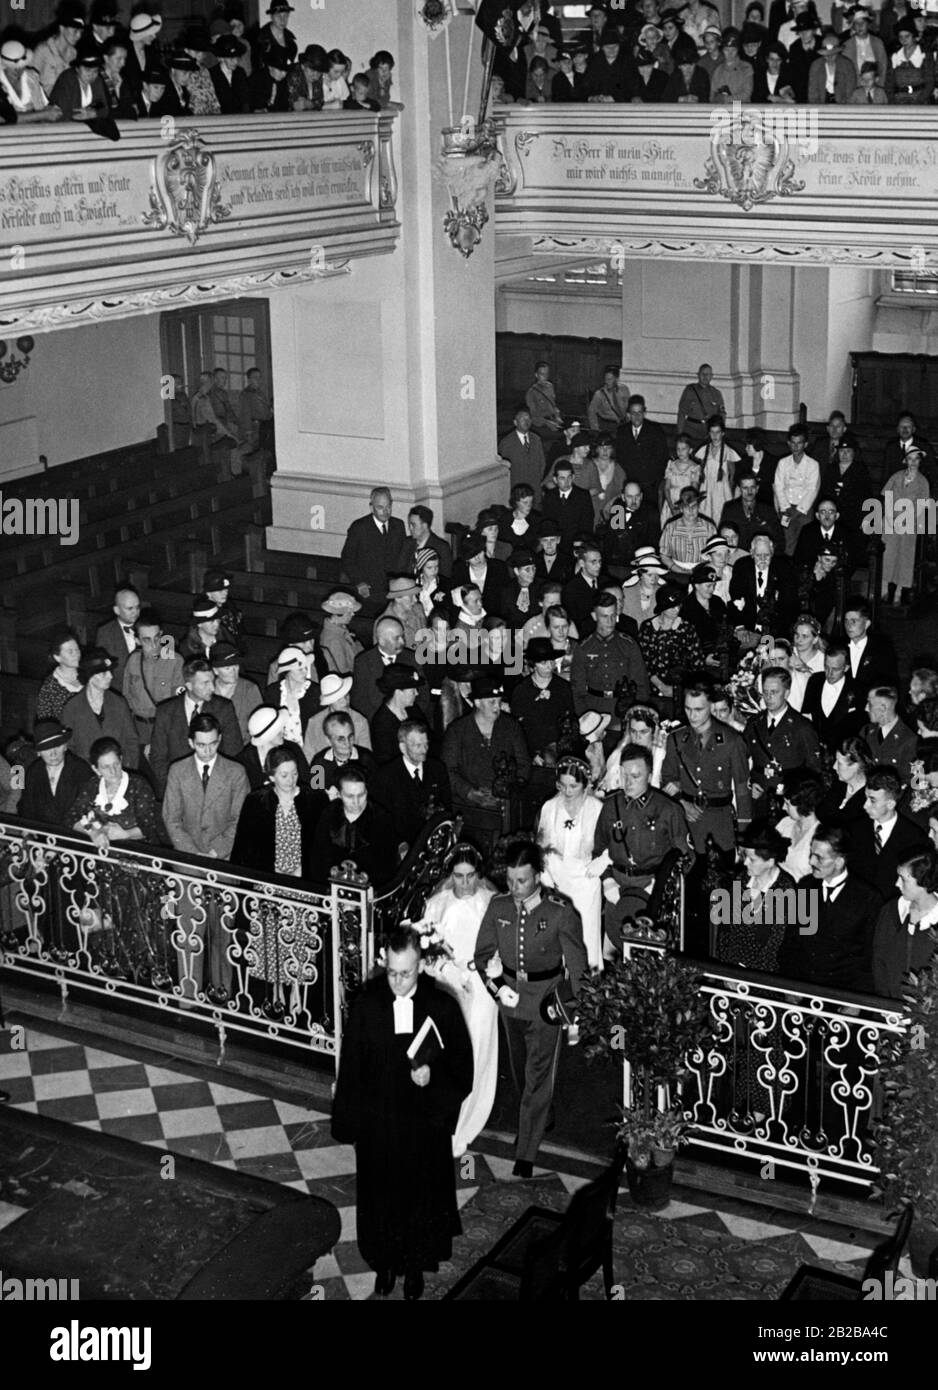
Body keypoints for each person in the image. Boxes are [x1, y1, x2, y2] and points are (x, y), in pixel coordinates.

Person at [331, 924, 472, 1300]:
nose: (397, 981)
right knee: (381, 1198)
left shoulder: (441, 1006)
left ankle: (414, 1269)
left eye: (405, 973)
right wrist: (351, 1124)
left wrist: (434, 1078)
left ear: (421, 966)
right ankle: (385, 1264)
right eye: (392, 972)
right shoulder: (368, 1003)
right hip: (379, 1125)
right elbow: (352, 1069)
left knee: (419, 1199)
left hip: (422, 1126)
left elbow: (462, 1068)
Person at [474, 840, 587, 1177]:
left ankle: (526, 1151)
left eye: (521, 881)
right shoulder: (498, 906)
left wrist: (572, 1014)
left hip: (545, 1003)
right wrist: (497, 989)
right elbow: (482, 957)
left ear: (538, 875)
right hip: (510, 1002)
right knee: (521, 1071)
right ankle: (540, 1113)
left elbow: (578, 968)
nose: (515, 888)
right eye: (510, 880)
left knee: (538, 1075)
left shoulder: (560, 911)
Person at [229, 745, 329, 1013]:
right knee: (272, 943)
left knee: (299, 941)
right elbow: (244, 849)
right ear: (271, 776)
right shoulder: (256, 801)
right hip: (269, 887)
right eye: (284, 775)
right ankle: (275, 992)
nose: (291, 780)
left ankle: (298, 991)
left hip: (302, 886)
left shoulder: (314, 800)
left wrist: (305, 873)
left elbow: (322, 847)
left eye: (294, 773)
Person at [162, 712, 251, 998]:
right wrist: (195, 856)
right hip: (188, 866)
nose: (207, 750)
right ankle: (189, 995)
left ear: (220, 740)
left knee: (222, 935)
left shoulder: (235, 772)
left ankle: (223, 994)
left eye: (212, 744)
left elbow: (241, 820)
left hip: (223, 863)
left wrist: (216, 851)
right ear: (191, 742)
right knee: (189, 934)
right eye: (201, 745)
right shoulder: (177, 771)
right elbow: (171, 820)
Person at [422, 845, 498, 1157]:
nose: (464, 884)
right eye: (458, 877)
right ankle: (444, 1120)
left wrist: (490, 968)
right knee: (446, 1053)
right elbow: (427, 950)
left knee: (477, 1050)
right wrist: (448, 971)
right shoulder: (437, 904)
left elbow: (501, 945)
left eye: (470, 877)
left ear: (478, 876)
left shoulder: (491, 902)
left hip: (482, 984)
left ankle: (466, 1123)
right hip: (448, 984)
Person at [593, 742, 692, 953]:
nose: (628, 782)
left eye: (636, 776)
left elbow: (686, 859)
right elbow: (599, 849)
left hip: (653, 892)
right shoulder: (611, 807)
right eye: (624, 775)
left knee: (651, 959)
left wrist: (664, 886)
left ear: (649, 775)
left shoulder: (668, 810)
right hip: (617, 891)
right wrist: (607, 880)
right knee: (614, 951)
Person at [777, 824, 878, 993]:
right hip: (803, 992)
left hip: (841, 994)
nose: (811, 862)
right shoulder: (805, 886)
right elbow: (792, 942)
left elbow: (869, 958)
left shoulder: (868, 898)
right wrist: (791, 987)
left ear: (839, 862)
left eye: (819, 858)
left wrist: (856, 1003)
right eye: (811, 854)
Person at [662, 679, 752, 855]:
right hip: (686, 823)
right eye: (688, 709)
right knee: (692, 875)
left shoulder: (732, 741)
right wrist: (682, 803)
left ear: (710, 707)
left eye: (698, 710)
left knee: (733, 877)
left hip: (721, 822)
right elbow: (666, 779)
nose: (692, 716)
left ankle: (736, 885)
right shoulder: (676, 740)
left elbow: (742, 790)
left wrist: (744, 836)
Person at [536, 753, 605, 970]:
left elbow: (611, 841)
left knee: (586, 937)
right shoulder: (550, 807)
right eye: (562, 785)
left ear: (585, 785)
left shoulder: (596, 807)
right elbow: (541, 844)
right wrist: (544, 872)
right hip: (557, 880)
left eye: (573, 786)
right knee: (559, 935)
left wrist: (603, 860)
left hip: (585, 880)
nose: (567, 792)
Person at [149, 656, 243, 793]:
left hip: (215, 790)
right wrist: (173, 787)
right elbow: (158, 757)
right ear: (189, 685)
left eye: (212, 681)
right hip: (176, 788)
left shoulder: (224, 708)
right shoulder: (166, 711)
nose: (212, 687)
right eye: (205, 683)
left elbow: (233, 752)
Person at [713, 824, 795, 972]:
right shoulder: (741, 879)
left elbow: (774, 946)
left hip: (761, 976)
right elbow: (725, 930)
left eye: (752, 859)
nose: (745, 863)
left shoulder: (784, 890)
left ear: (769, 861)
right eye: (745, 857)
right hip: (730, 969)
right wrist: (727, 967)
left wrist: (744, 974)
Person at [847, 766, 931, 898]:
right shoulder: (855, 828)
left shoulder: (915, 838)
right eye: (866, 798)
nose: (865, 805)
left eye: (872, 800)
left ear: (891, 804)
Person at [310, 765, 398, 889]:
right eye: (350, 796)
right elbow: (318, 860)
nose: (356, 802)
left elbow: (386, 866)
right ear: (339, 794)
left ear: (367, 791)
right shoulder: (329, 814)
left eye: (361, 795)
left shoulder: (381, 818)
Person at [872, 849, 938, 1000]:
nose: (896, 884)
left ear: (924, 882)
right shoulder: (890, 911)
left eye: (903, 879)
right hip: (888, 1012)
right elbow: (878, 961)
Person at [62, 649, 141, 772]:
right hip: (87, 775)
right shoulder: (72, 708)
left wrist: (125, 769)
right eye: (104, 674)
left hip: (118, 772)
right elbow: (68, 749)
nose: (111, 676)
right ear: (90, 677)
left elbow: (131, 741)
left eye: (110, 671)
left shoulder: (119, 703)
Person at [509, 637, 576, 764]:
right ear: (533, 664)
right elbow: (517, 728)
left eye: (551, 661)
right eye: (543, 663)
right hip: (531, 751)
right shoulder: (522, 690)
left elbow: (571, 720)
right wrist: (532, 753)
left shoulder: (563, 687)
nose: (549, 666)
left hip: (560, 750)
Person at [638, 584, 705, 708]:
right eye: (671, 607)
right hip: (653, 688)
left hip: (682, 688)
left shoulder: (687, 628)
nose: (676, 609)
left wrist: (682, 689)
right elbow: (643, 662)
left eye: (678, 605)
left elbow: (697, 663)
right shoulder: (647, 627)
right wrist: (661, 686)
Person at [341, 488, 407, 611]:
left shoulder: (398, 525)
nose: (385, 511)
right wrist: (359, 582)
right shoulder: (359, 528)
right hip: (369, 593)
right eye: (380, 507)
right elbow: (347, 558)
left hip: (394, 593)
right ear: (371, 508)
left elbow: (402, 557)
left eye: (388, 506)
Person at [18, 719, 93, 828]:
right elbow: (26, 805)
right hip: (41, 837)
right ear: (38, 752)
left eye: (57, 746)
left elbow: (89, 809)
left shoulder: (81, 770)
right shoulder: (33, 771)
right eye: (47, 748)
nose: (53, 753)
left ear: (65, 746)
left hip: (75, 837)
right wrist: (27, 829)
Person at [881, 448, 930, 605]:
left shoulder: (923, 482)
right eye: (910, 459)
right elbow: (887, 497)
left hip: (909, 524)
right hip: (891, 521)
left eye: (916, 459)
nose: (913, 462)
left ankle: (898, 592)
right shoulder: (896, 477)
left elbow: (921, 506)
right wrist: (889, 517)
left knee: (905, 557)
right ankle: (883, 589)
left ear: (920, 461)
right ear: (905, 460)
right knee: (888, 554)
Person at [801, 643, 864, 751]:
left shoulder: (857, 689)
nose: (829, 673)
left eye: (835, 669)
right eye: (826, 667)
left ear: (846, 668)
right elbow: (806, 716)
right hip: (815, 748)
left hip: (843, 752)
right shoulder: (815, 681)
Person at [774, 426, 821, 557]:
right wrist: (785, 507)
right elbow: (779, 486)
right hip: (787, 508)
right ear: (789, 443)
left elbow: (812, 489)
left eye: (799, 443)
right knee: (788, 541)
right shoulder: (783, 463)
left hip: (804, 509)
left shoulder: (813, 464)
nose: (796, 447)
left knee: (805, 540)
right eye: (793, 443)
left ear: (805, 444)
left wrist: (799, 510)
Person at [615, 395, 670, 498]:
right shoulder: (622, 431)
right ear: (628, 414)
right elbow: (619, 457)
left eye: (640, 412)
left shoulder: (655, 430)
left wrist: (653, 480)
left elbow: (662, 457)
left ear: (644, 413)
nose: (637, 416)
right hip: (628, 482)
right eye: (633, 413)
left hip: (649, 483)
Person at [860, 686, 917, 784]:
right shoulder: (866, 731)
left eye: (869, 704)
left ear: (883, 708)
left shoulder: (909, 740)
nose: (865, 708)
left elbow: (910, 782)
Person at [843, 597, 899, 696]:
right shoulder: (840, 646)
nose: (849, 625)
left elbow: (890, 682)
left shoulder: (881, 649)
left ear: (867, 624)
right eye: (846, 621)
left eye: (854, 621)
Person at [817, 734, 874, 827]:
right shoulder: (838, 785)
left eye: (839, 763)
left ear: (857, 765)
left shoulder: (869, 797)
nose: (834, 767)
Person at [660, 487, 717, 577]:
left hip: (703, 572)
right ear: (681, 509)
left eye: (694, 506)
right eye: (687, 507)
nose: (691, 510)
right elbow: (664, 555)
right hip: (676, 572)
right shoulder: (670, 527)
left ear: (698, 507)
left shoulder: (709, 528)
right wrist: (679, 570)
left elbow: (715, 554)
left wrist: (700, 569)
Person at [36, 626, 84, 723]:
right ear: (57, 657)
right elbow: (45, 723)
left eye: (77, 649)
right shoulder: (49, 687)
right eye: (70, 651)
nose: (76, 654)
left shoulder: (89, 675)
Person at [498, 407, 548, 495]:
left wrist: (538, 480)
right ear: (515, 422)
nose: (526, 421)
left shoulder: (536, 439)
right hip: (517, 489)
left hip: (535, 488)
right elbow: (503, 468)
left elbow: (542, 463)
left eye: (528, 418)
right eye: (522, 419)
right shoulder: (507, 442)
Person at [677, 365, 726, 447]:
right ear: (698, 375)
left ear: (711, 376)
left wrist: (719, 433)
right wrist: (680, 434)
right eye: (703, 374)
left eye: (708, 374)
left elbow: (721, 415)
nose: (705, 376)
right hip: (690, 429)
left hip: (708, 432)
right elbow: (682, 413)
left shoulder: (716, 394)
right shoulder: (690, 390)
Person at [660, 435, 702, 529]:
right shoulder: (671, 465)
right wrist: (671, 506)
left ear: (690, 450)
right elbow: (666, 488)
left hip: (686, 504)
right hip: (671, 503)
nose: (680, 452)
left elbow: (693, 492)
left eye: (683, 449)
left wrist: (683, 507)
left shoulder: (694, 468)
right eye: (678, 449)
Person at [588, 365, 630, 434]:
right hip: (608, 426)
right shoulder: (599, 395)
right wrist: (595, 430)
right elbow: (591, 412)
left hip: (623, 424)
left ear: (616, 379)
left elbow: (628, 406)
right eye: (605, 379)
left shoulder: (624, 389)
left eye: (610, 379)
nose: (607, 382)